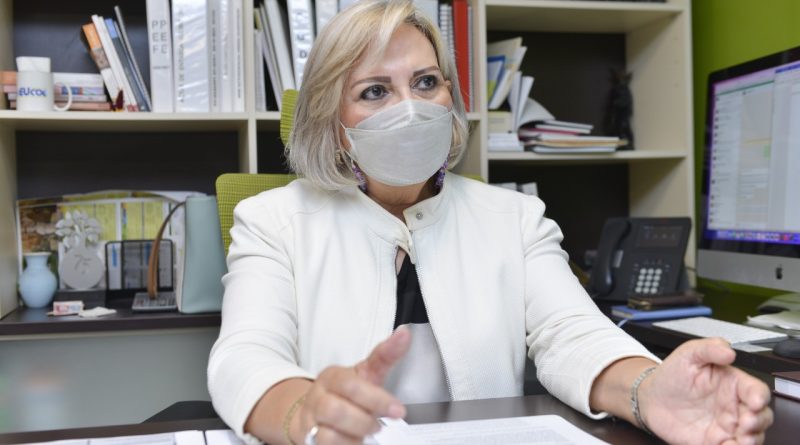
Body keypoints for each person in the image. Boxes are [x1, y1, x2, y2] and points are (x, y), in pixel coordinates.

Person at [208, 1, 773, 444]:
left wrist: (650, 390)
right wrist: (301, 413)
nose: (411, 108)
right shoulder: (272, 220)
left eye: (426, 82)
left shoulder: (515, 218)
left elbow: (572, 335)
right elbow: (244, 357)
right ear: (333, 124)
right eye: (375, 91)